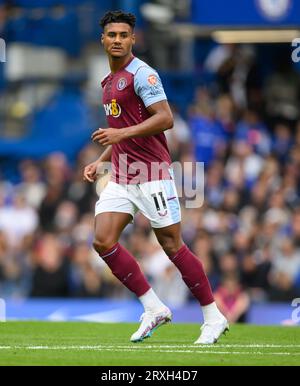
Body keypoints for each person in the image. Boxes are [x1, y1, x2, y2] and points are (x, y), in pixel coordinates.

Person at [83, 10, 228, 344]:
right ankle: (153, 308)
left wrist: (119, 137)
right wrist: (101, 160)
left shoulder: (143, 75)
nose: (117, 40)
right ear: (103, 40)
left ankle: (213, 315)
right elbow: (120, 133)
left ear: (133, 39)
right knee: (103, 240)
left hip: (151, 173)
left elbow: (165, 118)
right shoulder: (107, 83)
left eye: (123, 35)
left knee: (171, 245)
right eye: (111, 35)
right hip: (121, 175)